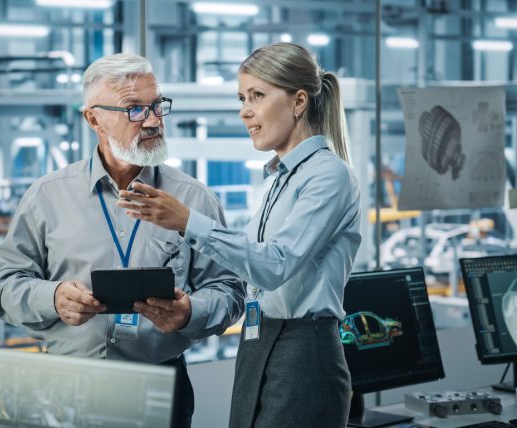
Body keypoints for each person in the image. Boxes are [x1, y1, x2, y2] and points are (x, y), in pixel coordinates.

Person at [0, 52, 245, 428]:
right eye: (135, 109)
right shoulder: (46, 197)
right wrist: (53, 298)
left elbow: (230, 290)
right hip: (63, 388)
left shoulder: (194, 200)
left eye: (157, 105)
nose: (154, 119)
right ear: (94, 118)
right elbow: (4, 284)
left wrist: (190, 311)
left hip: (161, 384)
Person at [117, 43, 361, 428]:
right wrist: (190, 302)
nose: (245, 110)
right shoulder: (279, 180)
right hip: (258, 340)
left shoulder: (329, 176)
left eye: (257, 96)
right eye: (242, 98)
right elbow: (249, 265)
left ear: (299, 102)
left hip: (303, 349)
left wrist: (187, 221)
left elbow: (275, 266)